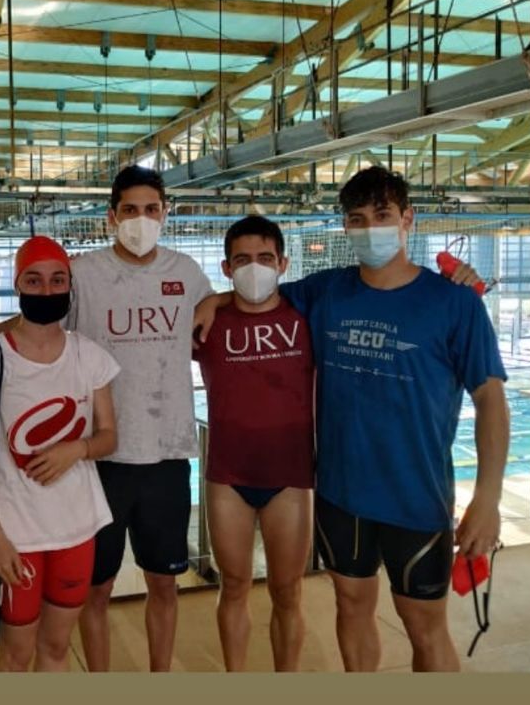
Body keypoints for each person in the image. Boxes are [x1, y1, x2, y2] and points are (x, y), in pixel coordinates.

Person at [196, 168, 508, 673]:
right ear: (345, 227)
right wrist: (212, 298)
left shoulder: (454, 303)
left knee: (425, 629)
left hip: (417, 498)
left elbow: (491, 400)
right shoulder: (325, 292)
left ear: (408, 219)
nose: (370, 228)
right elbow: (256, 291)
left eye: (382, 215)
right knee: (352, 609)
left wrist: (488, 499)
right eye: (357, 219)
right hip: (341, 495)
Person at [65, 166, 214, 672]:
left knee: (164, 583)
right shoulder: (84, 274)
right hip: (101, 457)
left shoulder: (186, 272)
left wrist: (217, 301)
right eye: (130, 210)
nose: (141, 219)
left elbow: (219, 308)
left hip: (166, 454)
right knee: (96, 587)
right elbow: (41, 335)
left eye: (151, 209)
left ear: (165, 213)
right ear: (111, 216)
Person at [0, 237, 119, 673]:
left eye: (57, 280)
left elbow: (109, 438)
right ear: (17, 285)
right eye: (34, 280)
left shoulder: (88, 354)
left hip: (77, 527)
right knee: (16, 654)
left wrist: (78, 448)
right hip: (17, 534)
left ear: (69, 286)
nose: (47, 290)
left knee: (56, 647)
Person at [193, 217, 314, 672]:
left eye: (265, 258)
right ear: (226, 268)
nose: (254, 268)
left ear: (283, 263)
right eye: (242, 260)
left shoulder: (305, 318)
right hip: (229, 477)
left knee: (289, 591)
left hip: (291, 477)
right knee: (234, 586)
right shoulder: (208, 323)